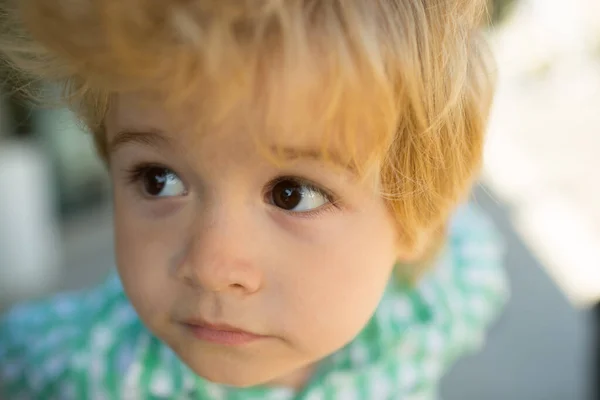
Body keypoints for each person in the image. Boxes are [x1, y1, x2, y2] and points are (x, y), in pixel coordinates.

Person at [0, 0, 509, 398]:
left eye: (293, 195)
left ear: (412, 222)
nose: (210, 266)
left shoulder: (433, 309)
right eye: (159, 179)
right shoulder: (72, 368)